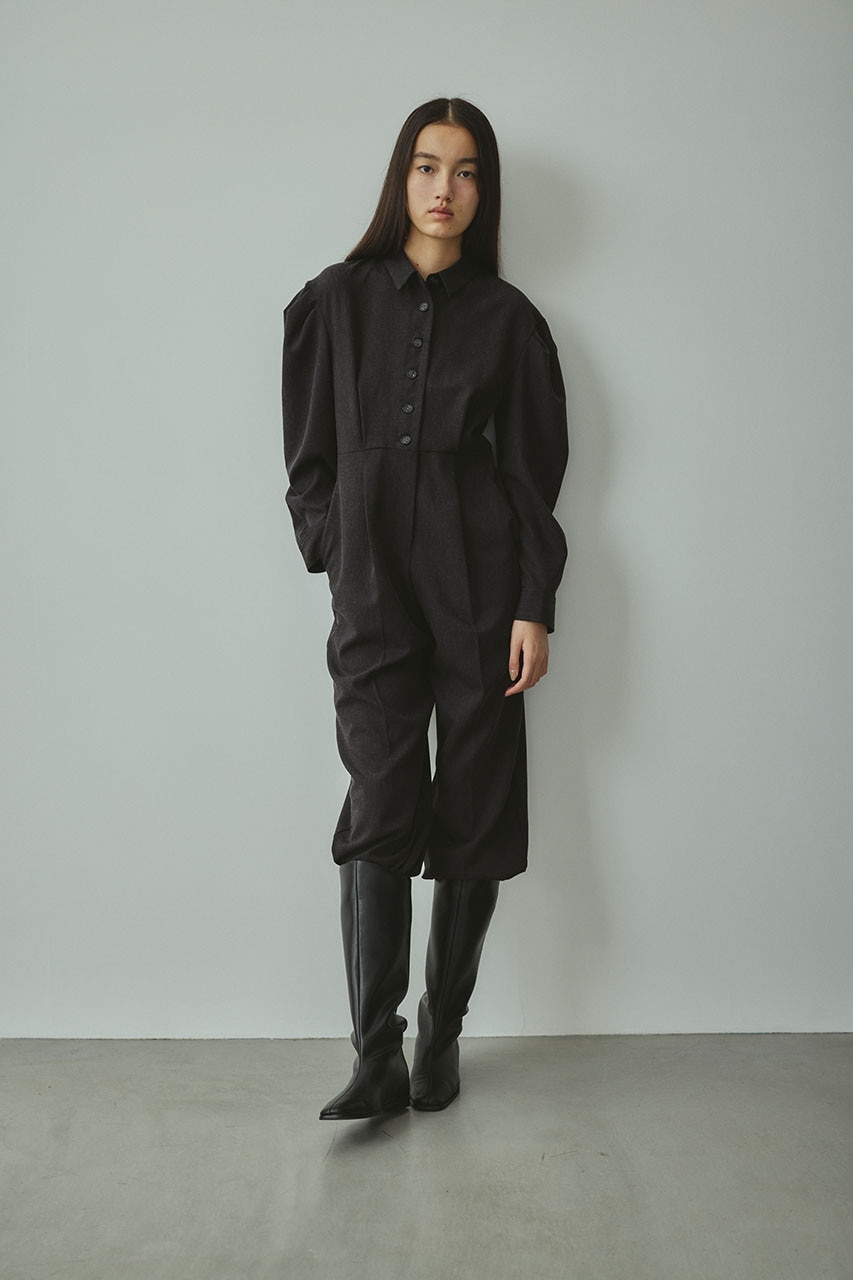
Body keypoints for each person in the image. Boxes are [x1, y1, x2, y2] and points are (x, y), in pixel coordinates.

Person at [281, 97, 568, 1121]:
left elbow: (531, 476)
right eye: (427, 165)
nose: (445, 188)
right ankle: (376, 1054)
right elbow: (307, 462)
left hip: (479, 584)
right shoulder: (333, 301)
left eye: (466, 170)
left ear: (484, 191)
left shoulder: (509, 320)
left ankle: (440, 1037)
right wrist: (334, 546)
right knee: (381, 796)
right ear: (400, 178)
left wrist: (531, 601)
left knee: (476, 798)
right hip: (371, 587)